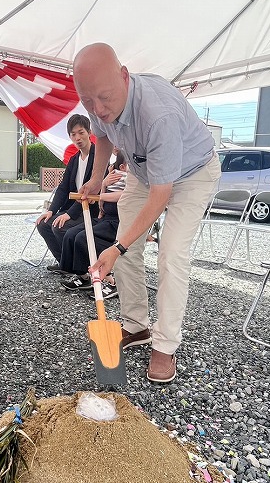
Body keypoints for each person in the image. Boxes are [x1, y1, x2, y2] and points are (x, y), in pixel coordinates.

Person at [74, 43, 220, 384]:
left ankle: (165, 344)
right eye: (88, 101)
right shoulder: (98, 97)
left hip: (192, 173)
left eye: (104, 98)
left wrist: (119, 247)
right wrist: (96, 178)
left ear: (124, 77)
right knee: (124, 244)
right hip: (144, 170)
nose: (98, 108)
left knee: (170, 252)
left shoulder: (159, 114)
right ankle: (136, 326)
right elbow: (102, 135)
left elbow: (160, 197)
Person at [59, 152, 128, 297]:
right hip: (105, 217)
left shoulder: (132, 178)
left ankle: (111, 280)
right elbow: (104, 198)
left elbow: (126, 194)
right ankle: (83, 275)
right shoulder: (114, 175)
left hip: (120, 222)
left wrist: (98, 196)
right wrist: (103, 184)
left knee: (84, 238)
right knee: (71, 234)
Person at [35, 114, 96, 271]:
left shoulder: (98, 157)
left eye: (81, 132)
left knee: (59, 226)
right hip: (74, 208)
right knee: (43, 224)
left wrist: (69, 214)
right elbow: (63, 188)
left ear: (89, 132)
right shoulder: (74, 159)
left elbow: (91, 192)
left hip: (90, 209)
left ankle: (77, 267)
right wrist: (51, 210)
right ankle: (64, 263)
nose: (77, 138)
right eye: (73, 134)